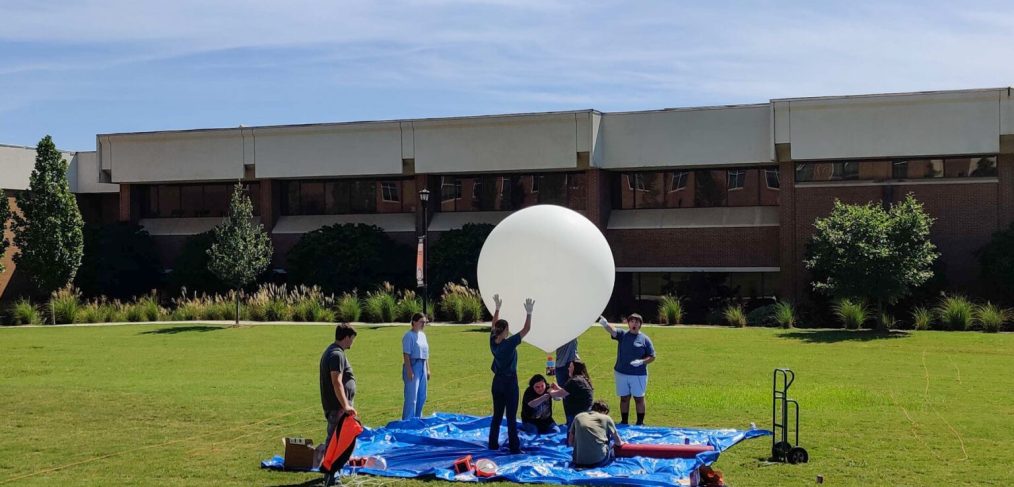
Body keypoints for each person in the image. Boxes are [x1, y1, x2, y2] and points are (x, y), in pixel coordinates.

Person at [488, 294, 535, 454]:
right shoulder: (509, 344)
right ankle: (514, 447)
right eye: (508, 329)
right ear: (505, 331)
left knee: (497, 415)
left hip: (497, 383)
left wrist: (497, 309)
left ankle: (492, 444)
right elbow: (526, 329)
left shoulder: (493, 340)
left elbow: (494, 325)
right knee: (511, 417)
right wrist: (529, 313)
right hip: (509, 383)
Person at [598, 314, 656, 425]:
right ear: (628, 323)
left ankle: (640, 422)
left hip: (638, 375)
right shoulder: (623, 335)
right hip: (621, 373)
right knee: (624, 398)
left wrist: (642, 362)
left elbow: (652, 356)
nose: (634, 324)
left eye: (637, 322)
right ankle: (624, 421)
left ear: (640, 324)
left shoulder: (645, 339)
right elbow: (612, 330)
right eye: (632, 321)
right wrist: (605, 324)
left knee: (639, 398)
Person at [319, 322, 358, 441]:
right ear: (346, 337)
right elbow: (337, 382)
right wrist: (345, 405)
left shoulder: (333, 351)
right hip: (338, 407)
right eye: (352, 339)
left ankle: (328, 458)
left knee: (339, 439)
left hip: (337, 406)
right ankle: (326, 459)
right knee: (335, 440)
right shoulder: (336, 354)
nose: (352, 342)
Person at [568, 400, 624, 468]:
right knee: (610, 442)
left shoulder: (578, 416)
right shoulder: (606, 418)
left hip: (578, 460)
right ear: (604, 411)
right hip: (598, 460)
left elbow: (570, 442)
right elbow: (618, 442)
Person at [401, 312, 430, 420]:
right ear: (414, 322)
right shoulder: (409, 336)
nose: (423, 324)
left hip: (422, 365)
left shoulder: (423, 335)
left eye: (425, 322)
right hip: (413, 365)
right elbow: (406, 354)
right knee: (411, 397)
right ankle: (408, 420)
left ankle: (417, 418)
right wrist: (409, 370)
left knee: (422, 395)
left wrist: (427, 369)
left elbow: (426, 354)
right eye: (421, 322)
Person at [548, 359, 594, 427]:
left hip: (577, 415)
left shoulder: (574, 381)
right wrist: (557, 388)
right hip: (585, 413)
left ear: (575, 369)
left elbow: (559, 394)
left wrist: (550, 390)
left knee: (572, 434)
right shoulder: (582, 379)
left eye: (570, 367)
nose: (568, 368)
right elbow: (568, 392)